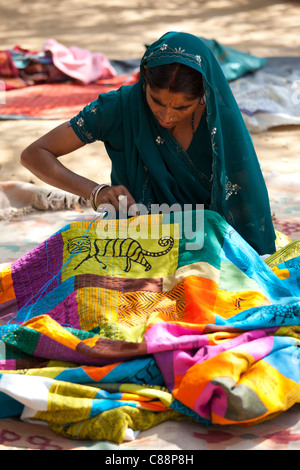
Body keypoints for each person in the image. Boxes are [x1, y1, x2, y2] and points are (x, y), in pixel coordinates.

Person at [21, 31, 276, 255]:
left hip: (207, 241)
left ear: (203, 95)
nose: (166, 116)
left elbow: (245, 198)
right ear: (144, 77)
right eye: (156, 101)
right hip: (137, 238)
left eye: (182, 107)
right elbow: (35, 153)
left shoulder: (220, 123)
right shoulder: (118, 108)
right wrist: (96, 191)